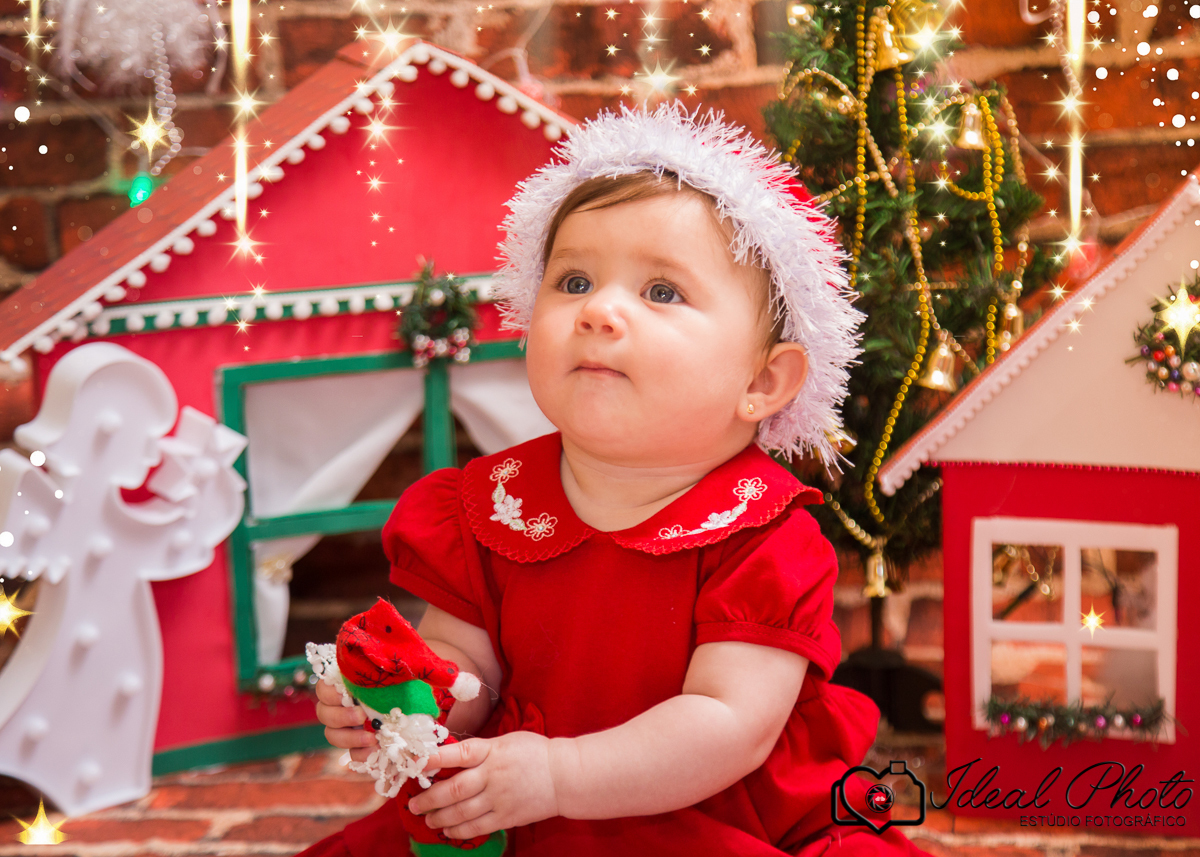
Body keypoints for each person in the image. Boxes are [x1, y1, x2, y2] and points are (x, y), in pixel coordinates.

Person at [300, 104, 926, 856]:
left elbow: (726, 724)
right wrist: (402, 702)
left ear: (763, 379)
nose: (598, 310)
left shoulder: (766, 537)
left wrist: (562, 773)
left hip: (701, 820)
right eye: (573, 279)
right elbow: (469, 677)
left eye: (661, 291)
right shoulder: (491, 505)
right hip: (518, 805)